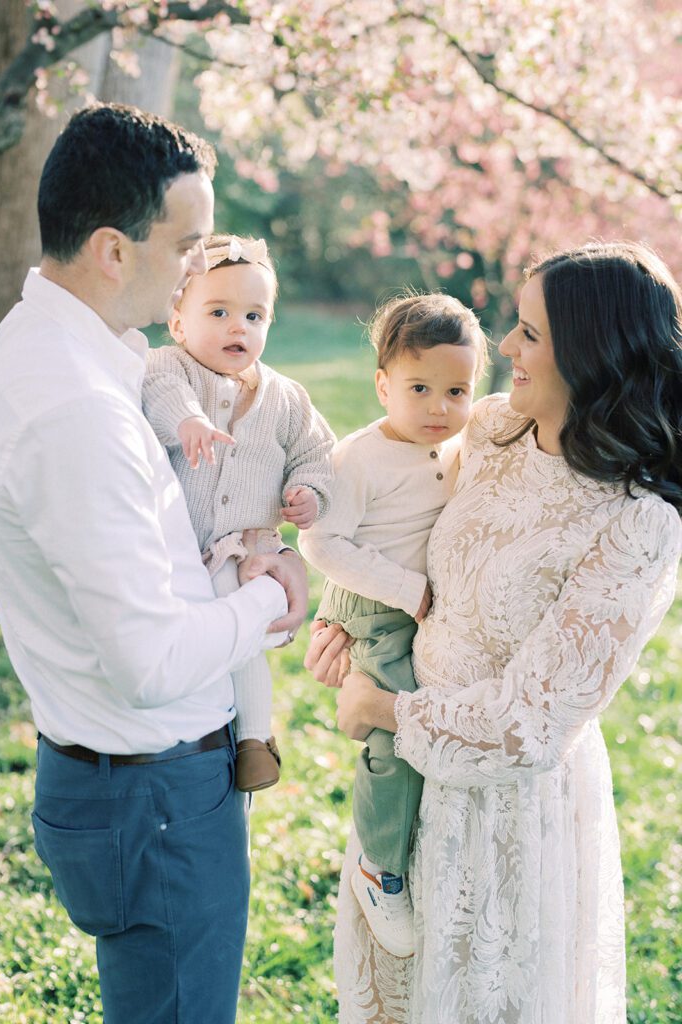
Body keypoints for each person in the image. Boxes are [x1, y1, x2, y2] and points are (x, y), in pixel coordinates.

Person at [0, 103, 308, 1024]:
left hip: (144, 785)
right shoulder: (73, 406)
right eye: (190, 245)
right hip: (154, 795)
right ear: (115, 250)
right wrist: (269, 596)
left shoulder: (66, 349)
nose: (202, 266)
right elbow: (151, 663)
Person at [305, 241, 682, 1024]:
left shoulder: (637, 522)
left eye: (531, 334)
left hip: (505, 817)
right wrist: (341, 616)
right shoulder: (489, 429)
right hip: (406, 786)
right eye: (515, 325)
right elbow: (395, 526)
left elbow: (528, 725)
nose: (505, 347)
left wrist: (380, 711)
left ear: (594, 351)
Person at [299, 293, 487, 957]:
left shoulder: (459, 445)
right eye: (419, 388)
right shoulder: (360, 458)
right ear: (383, 386)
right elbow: (321, 544)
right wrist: (407, 590)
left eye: (457, 390)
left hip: (417, 604)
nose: (440, 407)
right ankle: (380, 866)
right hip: (372, 606)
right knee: (392, 728)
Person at [142, 232, 334, 792]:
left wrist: (308, 493)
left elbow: (317, 454)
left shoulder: (286, 397)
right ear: (178, 321)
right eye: (218, 311)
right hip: (178, 546)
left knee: (242, 617)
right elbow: (159, 392)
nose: (238, 327)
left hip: (246, 546)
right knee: (189, 635)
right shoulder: (170, 366)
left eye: (254, 315)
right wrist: (188, 423)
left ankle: (254, 737)